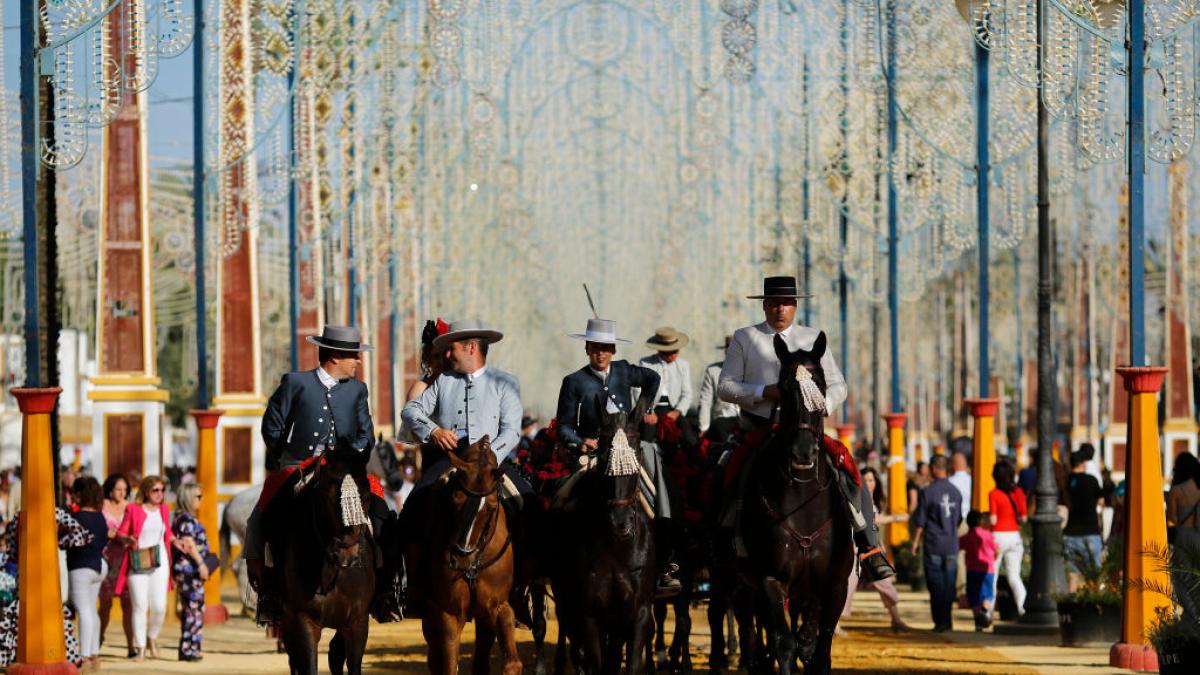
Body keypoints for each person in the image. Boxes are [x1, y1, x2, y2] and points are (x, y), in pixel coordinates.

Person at [716, 275, 893, 581]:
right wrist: (762, 392)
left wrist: (821, 401)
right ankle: (726, 533)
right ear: (765, 306)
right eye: (773, 303)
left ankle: (869, 543)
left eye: (785, 303)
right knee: (731, 467)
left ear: (795, 306)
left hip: (807, 427)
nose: (779, 309)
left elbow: (839, 384)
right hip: (762, 426)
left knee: (848, 467)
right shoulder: (745, 338)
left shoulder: (813, 339)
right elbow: (725, 387)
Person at [250, 324, 401, 625]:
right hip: (300, 467)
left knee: (385, 511)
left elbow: (366, 435)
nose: (358, 361)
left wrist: (351, 456)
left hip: (346, 469)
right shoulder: (296, 382)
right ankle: (270, 594)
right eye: (354, 356)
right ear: (335, 356)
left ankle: (386, 592)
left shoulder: (358, 389)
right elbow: (272, 426)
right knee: (261, 518)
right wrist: (289, 458)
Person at [400, 319, 535, 619]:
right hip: (451, 462)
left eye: (453, 350)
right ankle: (416, 590)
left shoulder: (506, 382)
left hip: (493, 463)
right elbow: (410, 410)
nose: (447, 356)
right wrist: (434, 431)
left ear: (471, 347)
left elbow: (512, 430)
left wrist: (489, 459)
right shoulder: (444, 381)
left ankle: (523, 590)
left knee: (532, 507)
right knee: (412, 510)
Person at [554, 317, 682, 597]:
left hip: (631, 449)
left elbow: (653, 379)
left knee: (657, 486)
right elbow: (563, 425)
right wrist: (580, 441)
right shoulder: (574, 381)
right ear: (587, 348)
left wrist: (643, 408)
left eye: (606, 347)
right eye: (596, 347)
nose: (601, 352)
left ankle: (666, 561)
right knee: (563, 497)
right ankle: (561, 560)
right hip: (595, 451)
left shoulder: (625, 370)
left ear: (613, 350)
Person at [841, 468, 910, 631]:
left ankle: (896, 619)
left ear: (876, 482)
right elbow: (873, 519)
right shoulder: (854, 498)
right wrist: (896, 518)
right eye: (865, 480)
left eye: (871, 480)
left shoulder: (875, 500)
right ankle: (835, 625)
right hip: (856, 549)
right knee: (847, 584)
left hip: (872, 550)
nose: (868, 483)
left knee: (885, 584)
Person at [114, 475, 173, 661]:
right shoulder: (133, 509)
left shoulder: (164, 509)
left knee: (159, 606)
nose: (160, 494)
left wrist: (176, 541)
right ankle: (140, 647)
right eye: (156, 490)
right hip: (138, 561)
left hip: (159, 562)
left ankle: (152, 637)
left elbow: (167, 532)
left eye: (162, 490)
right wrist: (128, 539)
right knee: (140, 605)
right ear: (146, 491)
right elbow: (121, 533)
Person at [911, 454, 963, 632]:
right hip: (951, 545)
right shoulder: (956, 492)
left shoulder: (927, 492)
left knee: (936, 585)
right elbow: (958, 520)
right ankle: (947, 621)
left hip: (933, 543)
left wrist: (915, 542)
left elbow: (921, 522)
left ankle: (940, 621)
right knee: (949, 586)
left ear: (933, 469)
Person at [68, 477, 109, 670]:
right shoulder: (100, 517)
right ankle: (94, 654)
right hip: (99, 565)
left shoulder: (75, 517)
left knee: (84, 610)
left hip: (81, 566)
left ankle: (83, 657)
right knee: (91, 609)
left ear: (79, 494)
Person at [171, 482, 212, 661]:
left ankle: (192, 647)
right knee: (193, 609)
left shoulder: (184, 518)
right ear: (188, 498)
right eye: (198, 496)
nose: (200, 500)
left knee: (194, 609)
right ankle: (188, 649)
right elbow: (189, 545)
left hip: (190, 570)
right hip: (189, 570)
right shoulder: (186, 519)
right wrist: (202, 564)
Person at [638, 327, 698, 447]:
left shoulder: (683, 365)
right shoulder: (646, 363)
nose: (674, 354)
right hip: (652, 408)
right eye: (670, 351)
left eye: (676, 350)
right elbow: (638, 390)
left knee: (690, 438)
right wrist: (648, 411)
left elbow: (687, 394)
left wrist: (677, 411)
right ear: (660, 351)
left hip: (674, 408)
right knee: (646, 439)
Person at [98, 473, 134, 655]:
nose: (122, 493)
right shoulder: (102, 506)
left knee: (128, 605)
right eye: (118, 489)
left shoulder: (130, 507)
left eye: (125, 490)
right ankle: (98, 638)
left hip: (125, 562)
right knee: (105, 605)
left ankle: (131, 645)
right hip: (106, 561)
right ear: (110, 489)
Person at [988, 457, 1028, 615]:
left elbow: (993, 519)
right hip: (1015, 537)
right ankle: (1022, 607)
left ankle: (989, 608)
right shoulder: (1018, 492)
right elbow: (1023, 518)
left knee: (993, 574)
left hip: (998, 536)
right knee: (1014, 575)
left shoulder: (994, 494)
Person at [1063, 448, 1104, 591]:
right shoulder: (1091, 480)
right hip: (1090, 532)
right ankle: (1096, 605)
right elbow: (1101, 502)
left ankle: (1071, 604)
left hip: (1070, 533)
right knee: (1094, 575)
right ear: (1082, 463)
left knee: (1072, 574)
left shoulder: (1066, 481)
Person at [1167, 451, 1200, 620]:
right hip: (1198, 536)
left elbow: (1172, 518)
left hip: (1183, 537)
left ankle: (1192, 616)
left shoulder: (1176, 491)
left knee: (1182, 578)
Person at [959, 510, 999, 631]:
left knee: (973, 596)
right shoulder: (988, 535)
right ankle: (984, 611)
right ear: (981, 521)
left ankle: (978, 621)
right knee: (987, 594)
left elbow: (957, 546)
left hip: (972, 570)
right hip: (987, 569)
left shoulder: (965, 538)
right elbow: (997, 551)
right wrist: (992, 559)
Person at [698, 335, 740, 443]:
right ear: (726, 352)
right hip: (723, 418)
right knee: (719, 427)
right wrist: (704, 427)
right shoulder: (713, 371)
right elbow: (705, 401)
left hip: (744, 419)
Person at [404, 318, 450, 405]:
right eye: (436, 356)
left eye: (445, 354)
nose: (442, 360)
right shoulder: (421, 390)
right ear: (428, 359)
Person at [948, 451, 972, 518]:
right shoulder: (972, 480)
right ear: (965, 464)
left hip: (955, 518)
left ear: (952, 465)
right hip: (971, 519)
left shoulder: (949, 481)